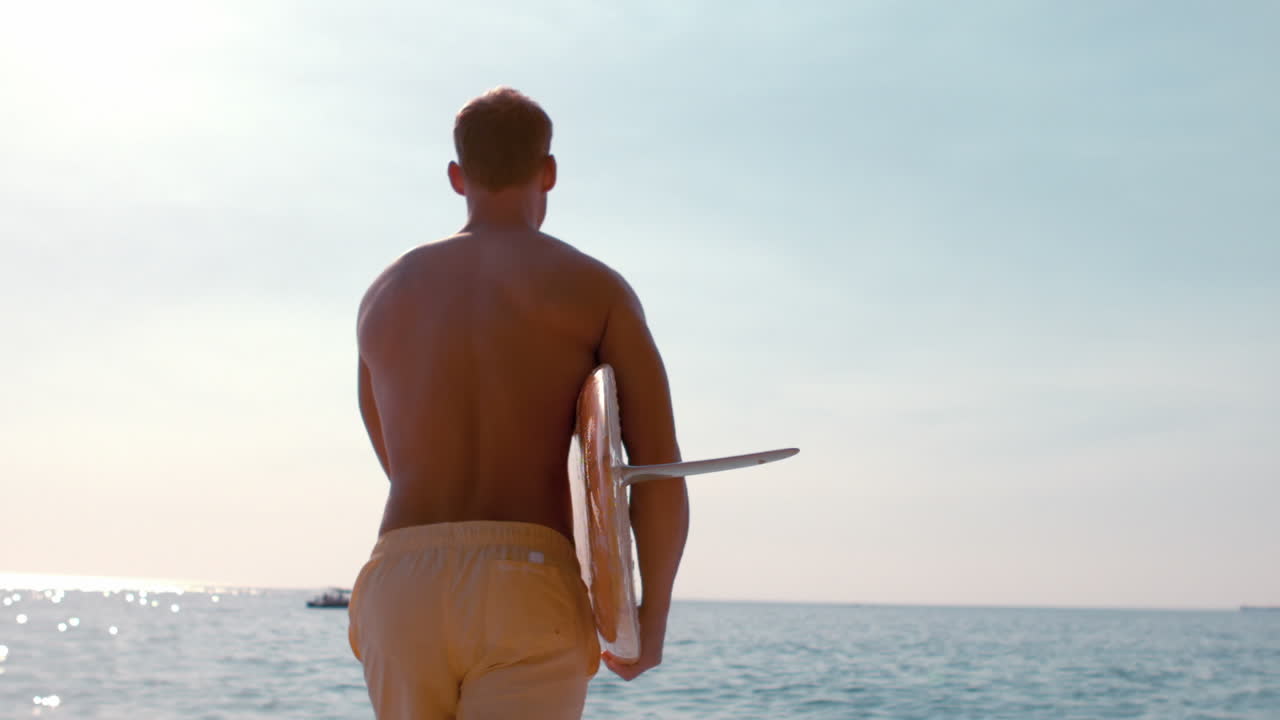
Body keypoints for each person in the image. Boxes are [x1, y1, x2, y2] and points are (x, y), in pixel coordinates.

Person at [347, 86, 690, 720]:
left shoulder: (384, 295)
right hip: (524, 580)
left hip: (399, 579)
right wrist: (650, 616)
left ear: (457, 177)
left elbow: (394, 456)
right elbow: (657, 468)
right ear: (549, 171)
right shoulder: (595, 288)